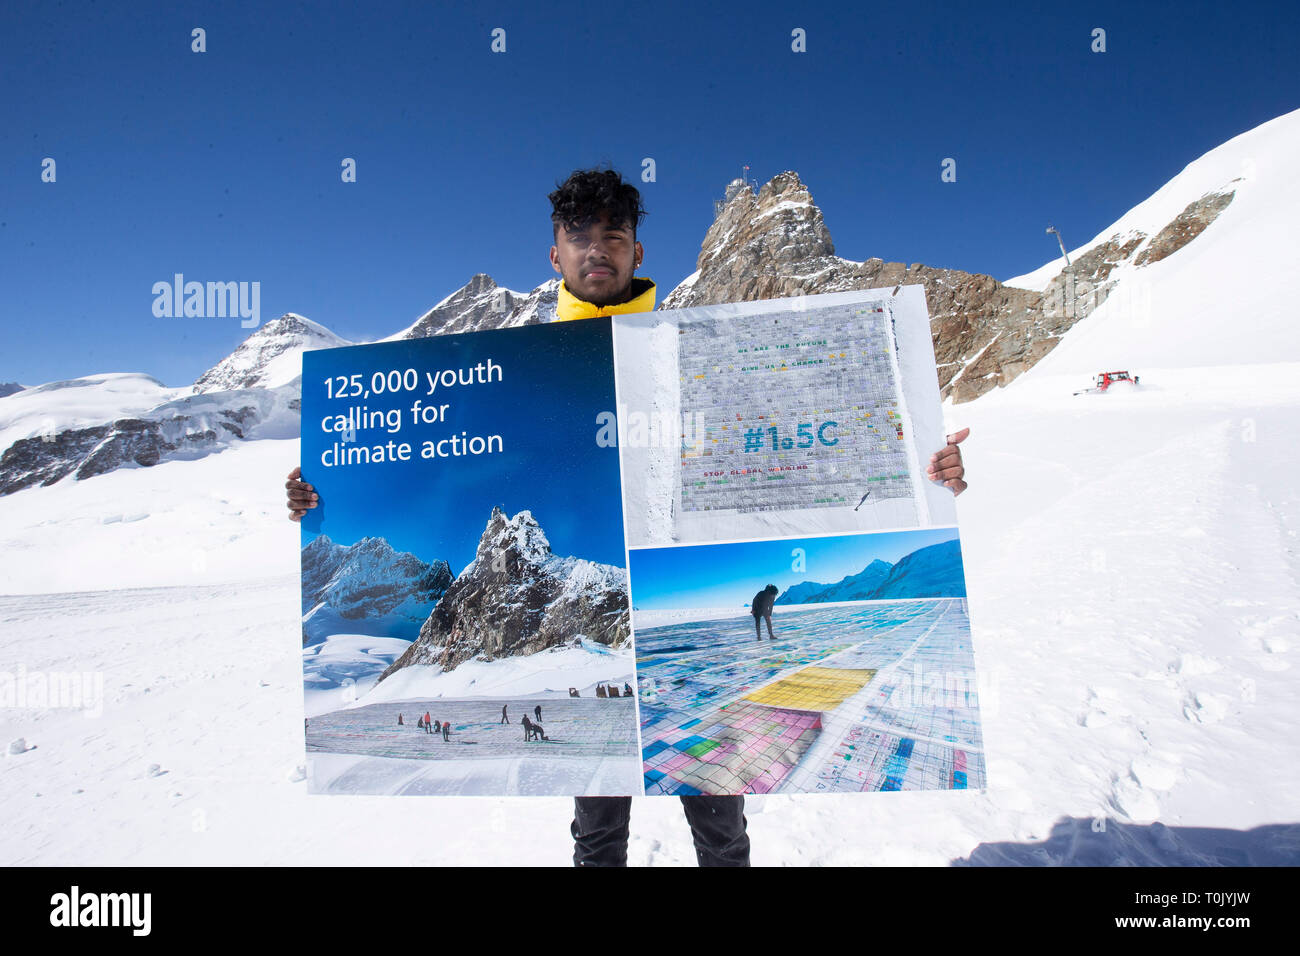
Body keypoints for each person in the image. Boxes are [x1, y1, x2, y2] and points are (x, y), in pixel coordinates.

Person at [284, 166, 969, 866]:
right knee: (599, 831)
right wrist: (322, 497)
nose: (596, 250)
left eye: (613, 235)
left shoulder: (701, 347)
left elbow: (801, 444)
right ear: (555, 255)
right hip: (615, 656)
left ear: (638, 252)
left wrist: (923, 469)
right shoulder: (504, 367)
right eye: (578, 237)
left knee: (720, 825)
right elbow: (425, 456)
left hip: (659, 598)